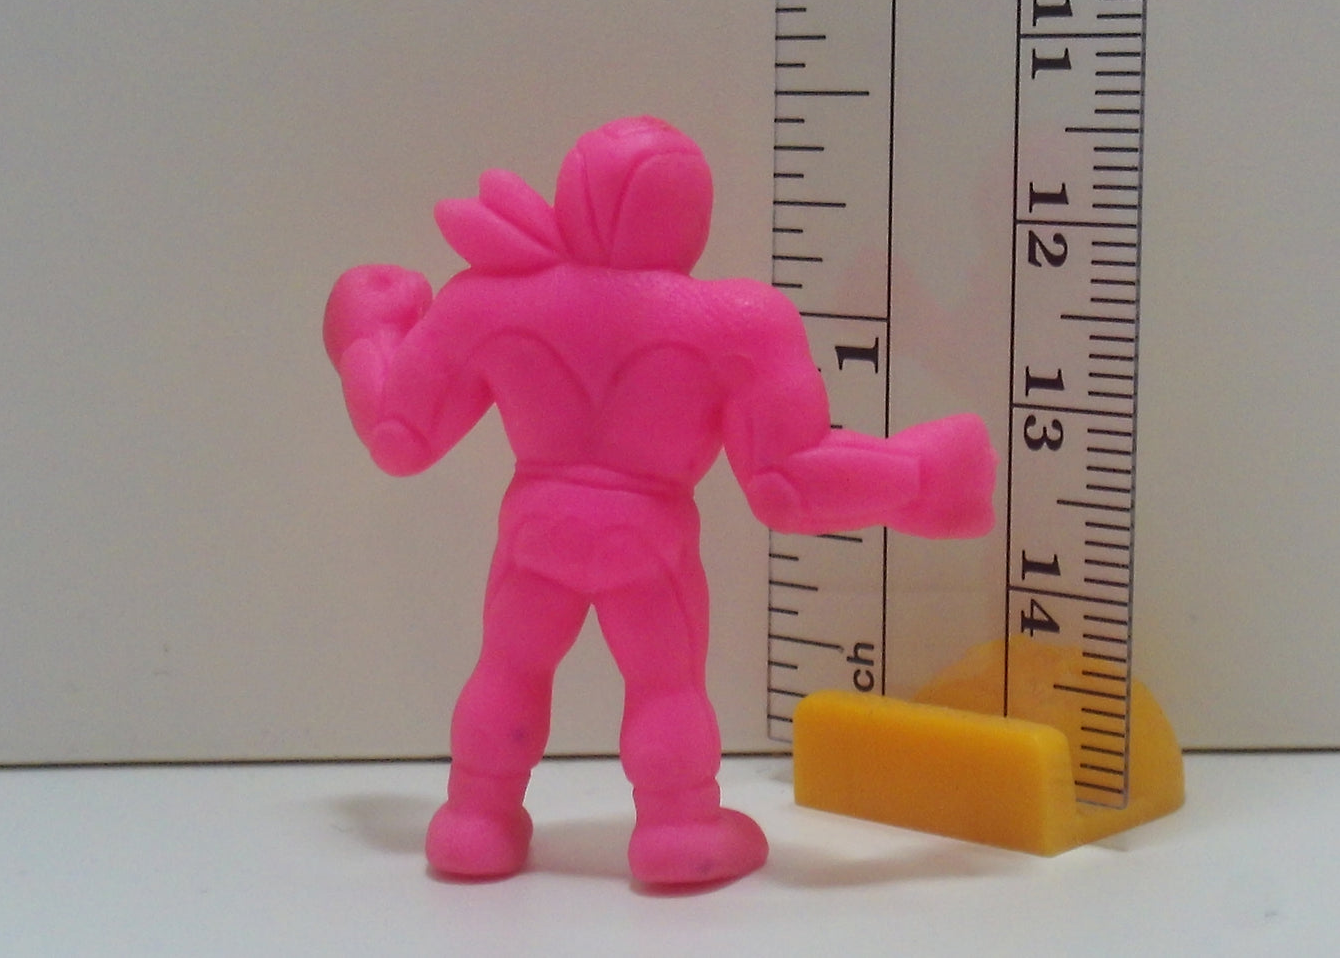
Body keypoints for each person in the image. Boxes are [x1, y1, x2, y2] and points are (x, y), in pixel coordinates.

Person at [324, 116, 996, 886]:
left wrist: (369, 335)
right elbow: (787, 484)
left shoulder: (489, 301)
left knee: (507, 668)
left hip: (535, 531)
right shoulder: (738, 322)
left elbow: (399, 436)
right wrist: (914, 476)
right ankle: (678, 826)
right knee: (665, 684)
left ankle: (473, 820)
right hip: (646, 541)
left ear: (574, 194)